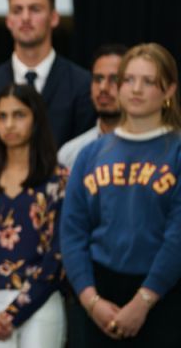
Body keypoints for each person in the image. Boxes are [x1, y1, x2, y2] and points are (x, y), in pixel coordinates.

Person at [61, 43, 181, 347]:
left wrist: (143, 302)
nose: (136, 89)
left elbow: (177, 236)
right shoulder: (90, 153)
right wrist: (91, 301)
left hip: (163, 295)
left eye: (149, 81)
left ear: (169, 90)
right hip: (99, 295)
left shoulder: (177, 152)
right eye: (128, 80)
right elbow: (72, 233)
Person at [0, 84, 66, 348]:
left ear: (36, 119)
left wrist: (14, 312)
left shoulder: (57, 179)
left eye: (19, 115)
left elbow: (56, 255)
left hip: (41, 301)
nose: (9, 124)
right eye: (2, 116)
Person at [0, 0, 95, 172]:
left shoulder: (82, 84)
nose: (25, 18)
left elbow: (86, 155)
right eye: (17, 10)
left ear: (54, 18)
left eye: (35, 9)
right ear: (8, 20)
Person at [58, 44, 127, 170]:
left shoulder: (155, 148)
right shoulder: (70, 153)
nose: (103, 88)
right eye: (98, 79)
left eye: (114, 79)